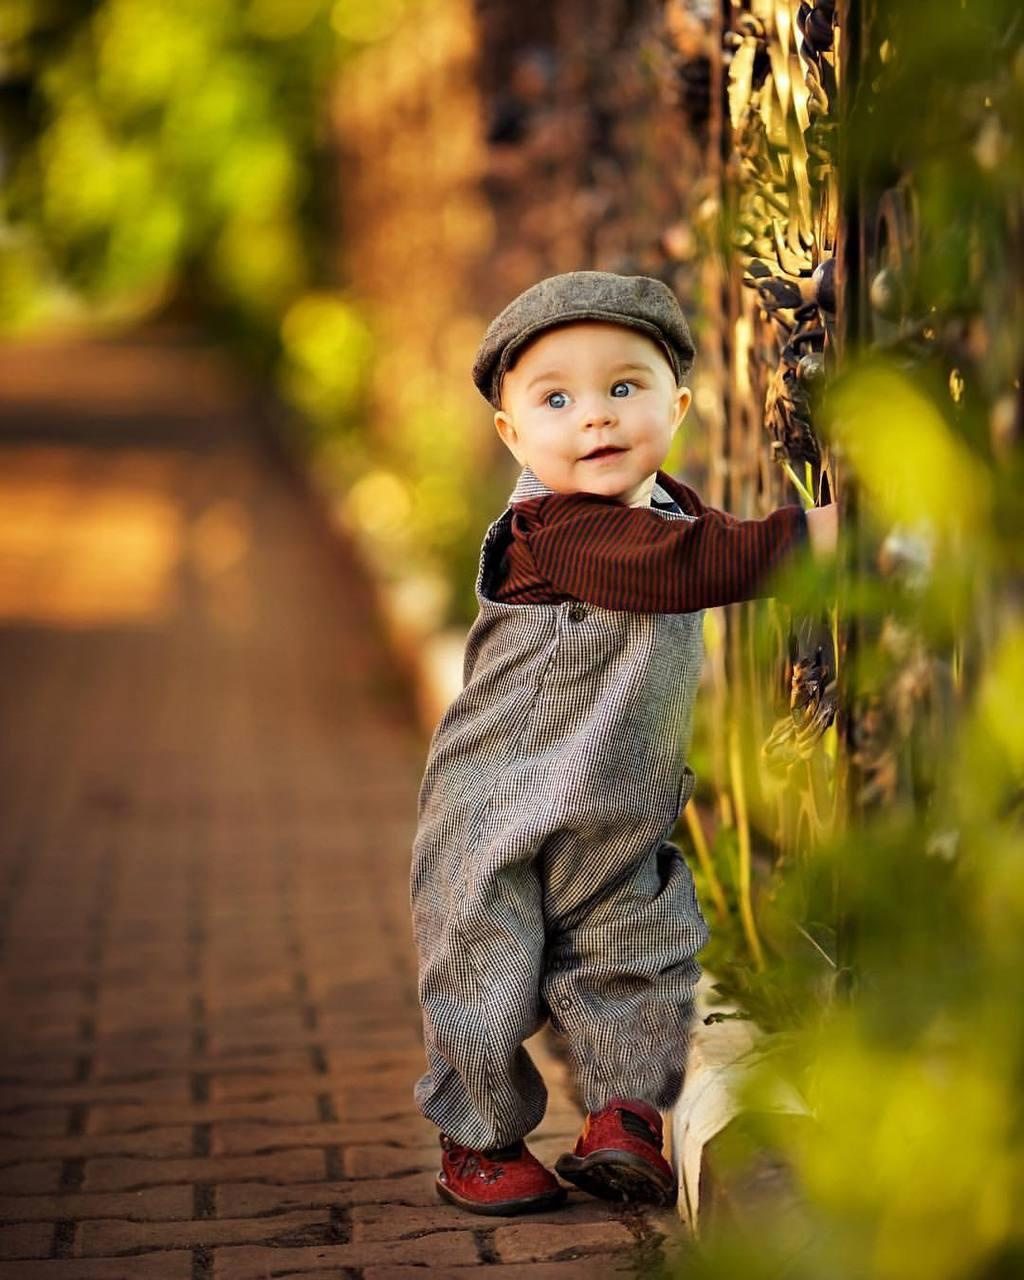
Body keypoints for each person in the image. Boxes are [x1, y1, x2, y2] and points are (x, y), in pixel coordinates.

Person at [410, 271, 837, 1216]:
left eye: (622, 387)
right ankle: (478, 1135)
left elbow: (702, 540)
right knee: (483, 966)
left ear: (677, 406)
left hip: (616, 809)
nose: (595, 417)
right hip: (499, 806)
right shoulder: (553, 530)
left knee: (640, 952)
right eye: (556, 400)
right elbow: (690, 566)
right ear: (513, 434)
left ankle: (623, 1119)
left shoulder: (672, 513)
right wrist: (819, 538)